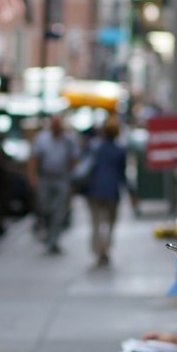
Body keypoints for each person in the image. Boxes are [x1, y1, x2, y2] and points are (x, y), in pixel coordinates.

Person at [29, 113, 78, 254]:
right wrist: (33, 177)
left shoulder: (69, 140)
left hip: (62, 178)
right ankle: (47, 231)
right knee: (45, 207)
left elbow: (74, 159)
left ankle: (53, 240)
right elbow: (34, 159)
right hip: (45, 177)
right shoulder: (42, 139)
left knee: (59, 210)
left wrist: (71, 177)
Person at [83, 115, 128, 268]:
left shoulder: (95, 148)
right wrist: (131, 192)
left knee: (96, 223)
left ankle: (98, 251)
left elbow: (87, 167)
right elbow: (122, 175)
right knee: (109, 224)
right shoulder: (119, 151)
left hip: (94, 190)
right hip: (112, 192)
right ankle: (105, 250)